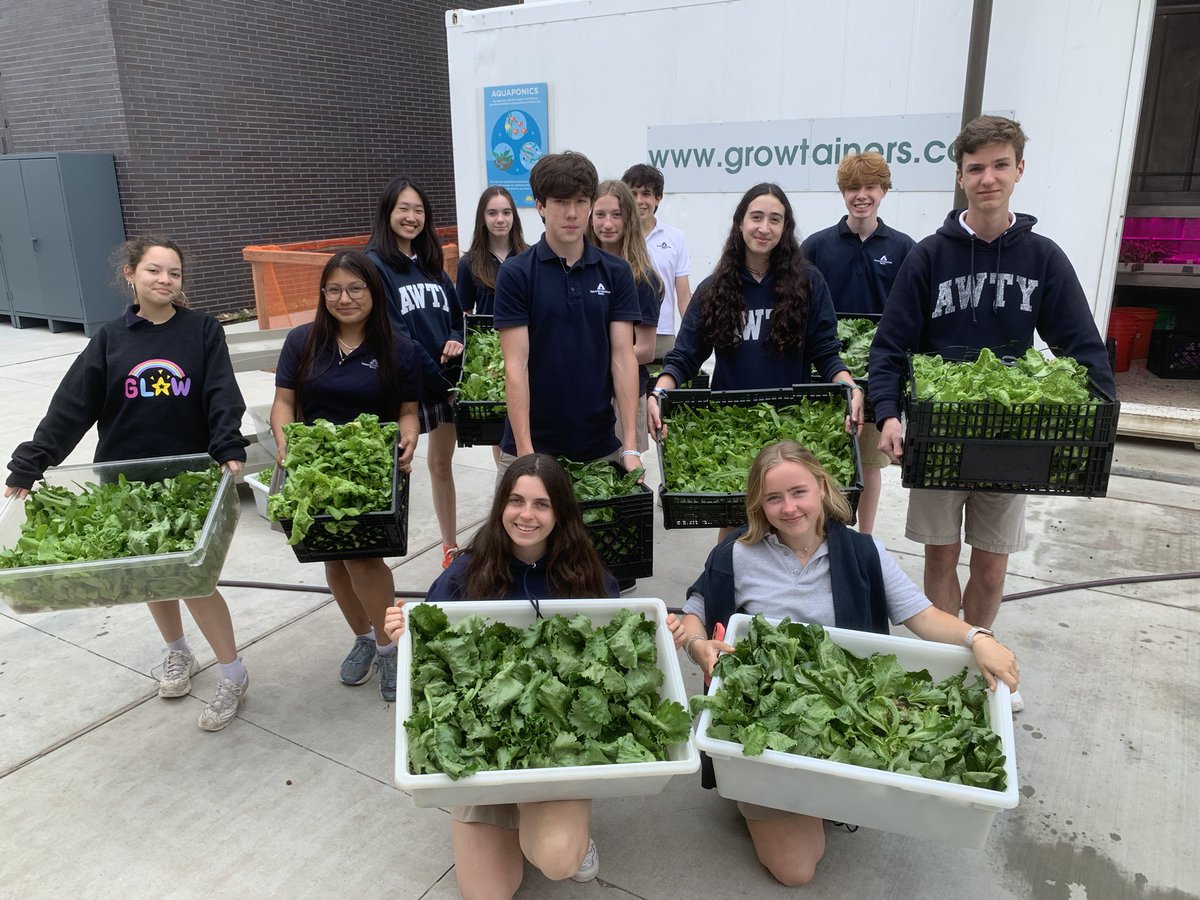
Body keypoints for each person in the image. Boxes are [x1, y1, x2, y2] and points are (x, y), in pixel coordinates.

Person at [667, 440, 1020, 887]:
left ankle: (821, 791)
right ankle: (755, 793)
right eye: (773, 498)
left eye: (798, 492)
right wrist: (696, 643)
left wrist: (977, 637)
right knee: (796, 870)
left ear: (821, 487)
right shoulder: (736, 553)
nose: (789, 508)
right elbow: (695, 607)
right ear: (758, 503)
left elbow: (924, 616)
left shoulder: (863, 551)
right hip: (762, 717)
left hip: (844, 707)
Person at [867, 116, 1115, 714]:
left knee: (994, 561)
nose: (988, 178)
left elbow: (1079, 341)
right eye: (976, 168)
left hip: (1014, 435)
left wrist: (1101, 411)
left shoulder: (1042, 257)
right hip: (940, 433)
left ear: (1019, 170)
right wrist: (888, 413)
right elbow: (891, 345)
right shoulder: (928, 257)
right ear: (960, 176)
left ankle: (983, 656)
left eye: (1000, 165)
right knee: (939, 555)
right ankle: (948, 658)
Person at [4, 237, 251, 732]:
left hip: (188, 481)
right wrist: (31, 464)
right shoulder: (111, 338)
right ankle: (178, 654)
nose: (165, 280)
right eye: (155, 270)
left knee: (196, 581)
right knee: (148, 575)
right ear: (131, 275)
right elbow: (72, 406)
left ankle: (233, 673)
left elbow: (221, 390)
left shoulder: (201, 330)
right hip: (125, 478)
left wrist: (227, 446)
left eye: (174, 273)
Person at [383, 454, 618, 898]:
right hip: (481, 751)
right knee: (488, 893)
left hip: (556, 746)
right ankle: (504, 817)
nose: (526, 515)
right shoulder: (464, 574)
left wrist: (670, 631)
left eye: (542, 504)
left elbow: (618, 649)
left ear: (561, 512)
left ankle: (560, 822)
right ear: (501, 506)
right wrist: (404, 637)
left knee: (558, 859)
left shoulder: (588, 575)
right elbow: (430, 654)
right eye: (516, 501)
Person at [270, 250, 422, 702]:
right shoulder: (302, 341)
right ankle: (364, 636)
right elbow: (283, 403)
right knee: (333, 560)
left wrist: (409, 435)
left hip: (372, 470)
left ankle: (391, 647)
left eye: (356, 288)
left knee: (363, 558)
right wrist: (284, 442)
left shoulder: (400, 348)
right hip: (317, 470)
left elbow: (408, 412)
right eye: (334, 289)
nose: (345, 298)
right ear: (322, 294)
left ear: (374, 292)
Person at [648, 182, 864, 433]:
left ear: (785, 228)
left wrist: (852, 389)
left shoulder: (809, 283)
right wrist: (659, 393)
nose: (764, 228)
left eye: (775, 219)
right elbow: (685, 356)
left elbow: (826, 354)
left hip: (792, 425)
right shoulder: (713, 289)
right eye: (756, 217)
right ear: (740, 222)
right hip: (729, 426)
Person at [493, 151, 642, 477]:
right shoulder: (517, 273)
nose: (572, 213)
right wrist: (525, 453)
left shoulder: (616, 272)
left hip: (600, 447)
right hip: (532, 445)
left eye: (580, 200)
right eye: (561, 201)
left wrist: (629, 446)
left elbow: (623, 357)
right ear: (540, 206)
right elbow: (515, 365)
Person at [802, 152, 915, 534]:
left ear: (884, 191)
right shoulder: (817, 247)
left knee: (868, 462)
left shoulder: (903, 249)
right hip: (827, 371)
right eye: (853, 187)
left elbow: (910, 316)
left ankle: (863, 537)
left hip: (877, 376)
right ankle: (821, 533)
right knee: (820, 456)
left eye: (870, 187)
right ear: (842, 192)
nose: (861, 195)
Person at [367, 176, 465, 570]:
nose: (411, 217)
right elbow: (398, 337)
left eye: (419, 210)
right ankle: (374, 553)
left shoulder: (431, 265)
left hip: (443, 384)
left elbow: (458, 317)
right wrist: (443, 385)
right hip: (411, 386)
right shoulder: (374, 265)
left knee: (441, 464)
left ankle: (450, 547)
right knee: (397, 467)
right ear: (388, 212)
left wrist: (457, 340)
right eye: (403, 209)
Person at [586, 179, 664, 453]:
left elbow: (645, 349)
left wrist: (590, 361)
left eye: (616, 215)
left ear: (629, 219)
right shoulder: (578, 270)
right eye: (600, 214)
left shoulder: (644, 278)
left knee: (620, 474)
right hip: (583, 391)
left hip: (623, 394)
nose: (607, 224)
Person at [621, 163, 692, 362]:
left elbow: (684, 296)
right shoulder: (615, 236)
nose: (639, 201)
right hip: (624, 331)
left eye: (646, 194)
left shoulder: (675, 237)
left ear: (658, 198)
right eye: (633, 194)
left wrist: (689, 338)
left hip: (663, 334)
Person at [456, 186, 529, 316]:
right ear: (482, 218)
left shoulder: (530, 256)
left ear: (514, 217)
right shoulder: (468, 263)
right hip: (488, 336)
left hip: (527, 335)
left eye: (506, 212)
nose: (500, 220)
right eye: (492, 213)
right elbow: (464, 312)